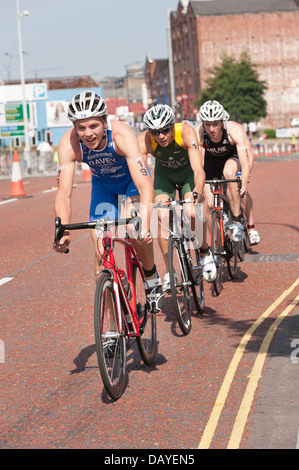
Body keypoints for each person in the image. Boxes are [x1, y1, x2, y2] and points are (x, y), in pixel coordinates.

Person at [54, 90, 164, 314]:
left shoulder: (122, 135)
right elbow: (63, 193)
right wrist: (62, 229)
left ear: (105, 121)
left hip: (130, 183)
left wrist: (144, 220)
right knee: (100, 253)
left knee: (134, 229)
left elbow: (145, 186)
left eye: (93, 125)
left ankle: (151, 276)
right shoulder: (68, 144)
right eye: (81, 127)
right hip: (103, 187)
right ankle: (111, 331)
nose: (88, 133)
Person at [138, 104, 216, 291]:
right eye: (155, 132)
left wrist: (196, 192)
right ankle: (169, 271)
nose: (161, 136)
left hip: (188, 175)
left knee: (191, 212)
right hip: (164, 178)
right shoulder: (144, 141)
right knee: (162, 216)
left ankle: (205, 252)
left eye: (165, 130)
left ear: (173, 126)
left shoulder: (186, 132)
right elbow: (141, 175)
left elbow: (198, 170)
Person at [196, 100, 250, 245]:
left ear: (222, 122)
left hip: (231, 158)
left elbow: (244, 162)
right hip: (211, 162)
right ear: (203, 123)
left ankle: (237, 220)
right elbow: (198, 163)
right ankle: (216, 244)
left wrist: (243, 183)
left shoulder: (233, 130)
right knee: (208, 204)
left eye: (216, 124)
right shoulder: (200, 133)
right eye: (207, 124)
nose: (211, 128)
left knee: (229, 174)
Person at [223, 111, 260, 246]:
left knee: (241, 192)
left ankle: (251, 226)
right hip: (220, 164)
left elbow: (249, 153)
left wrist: (247, 172)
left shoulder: (236, 129)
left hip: (237, 161)